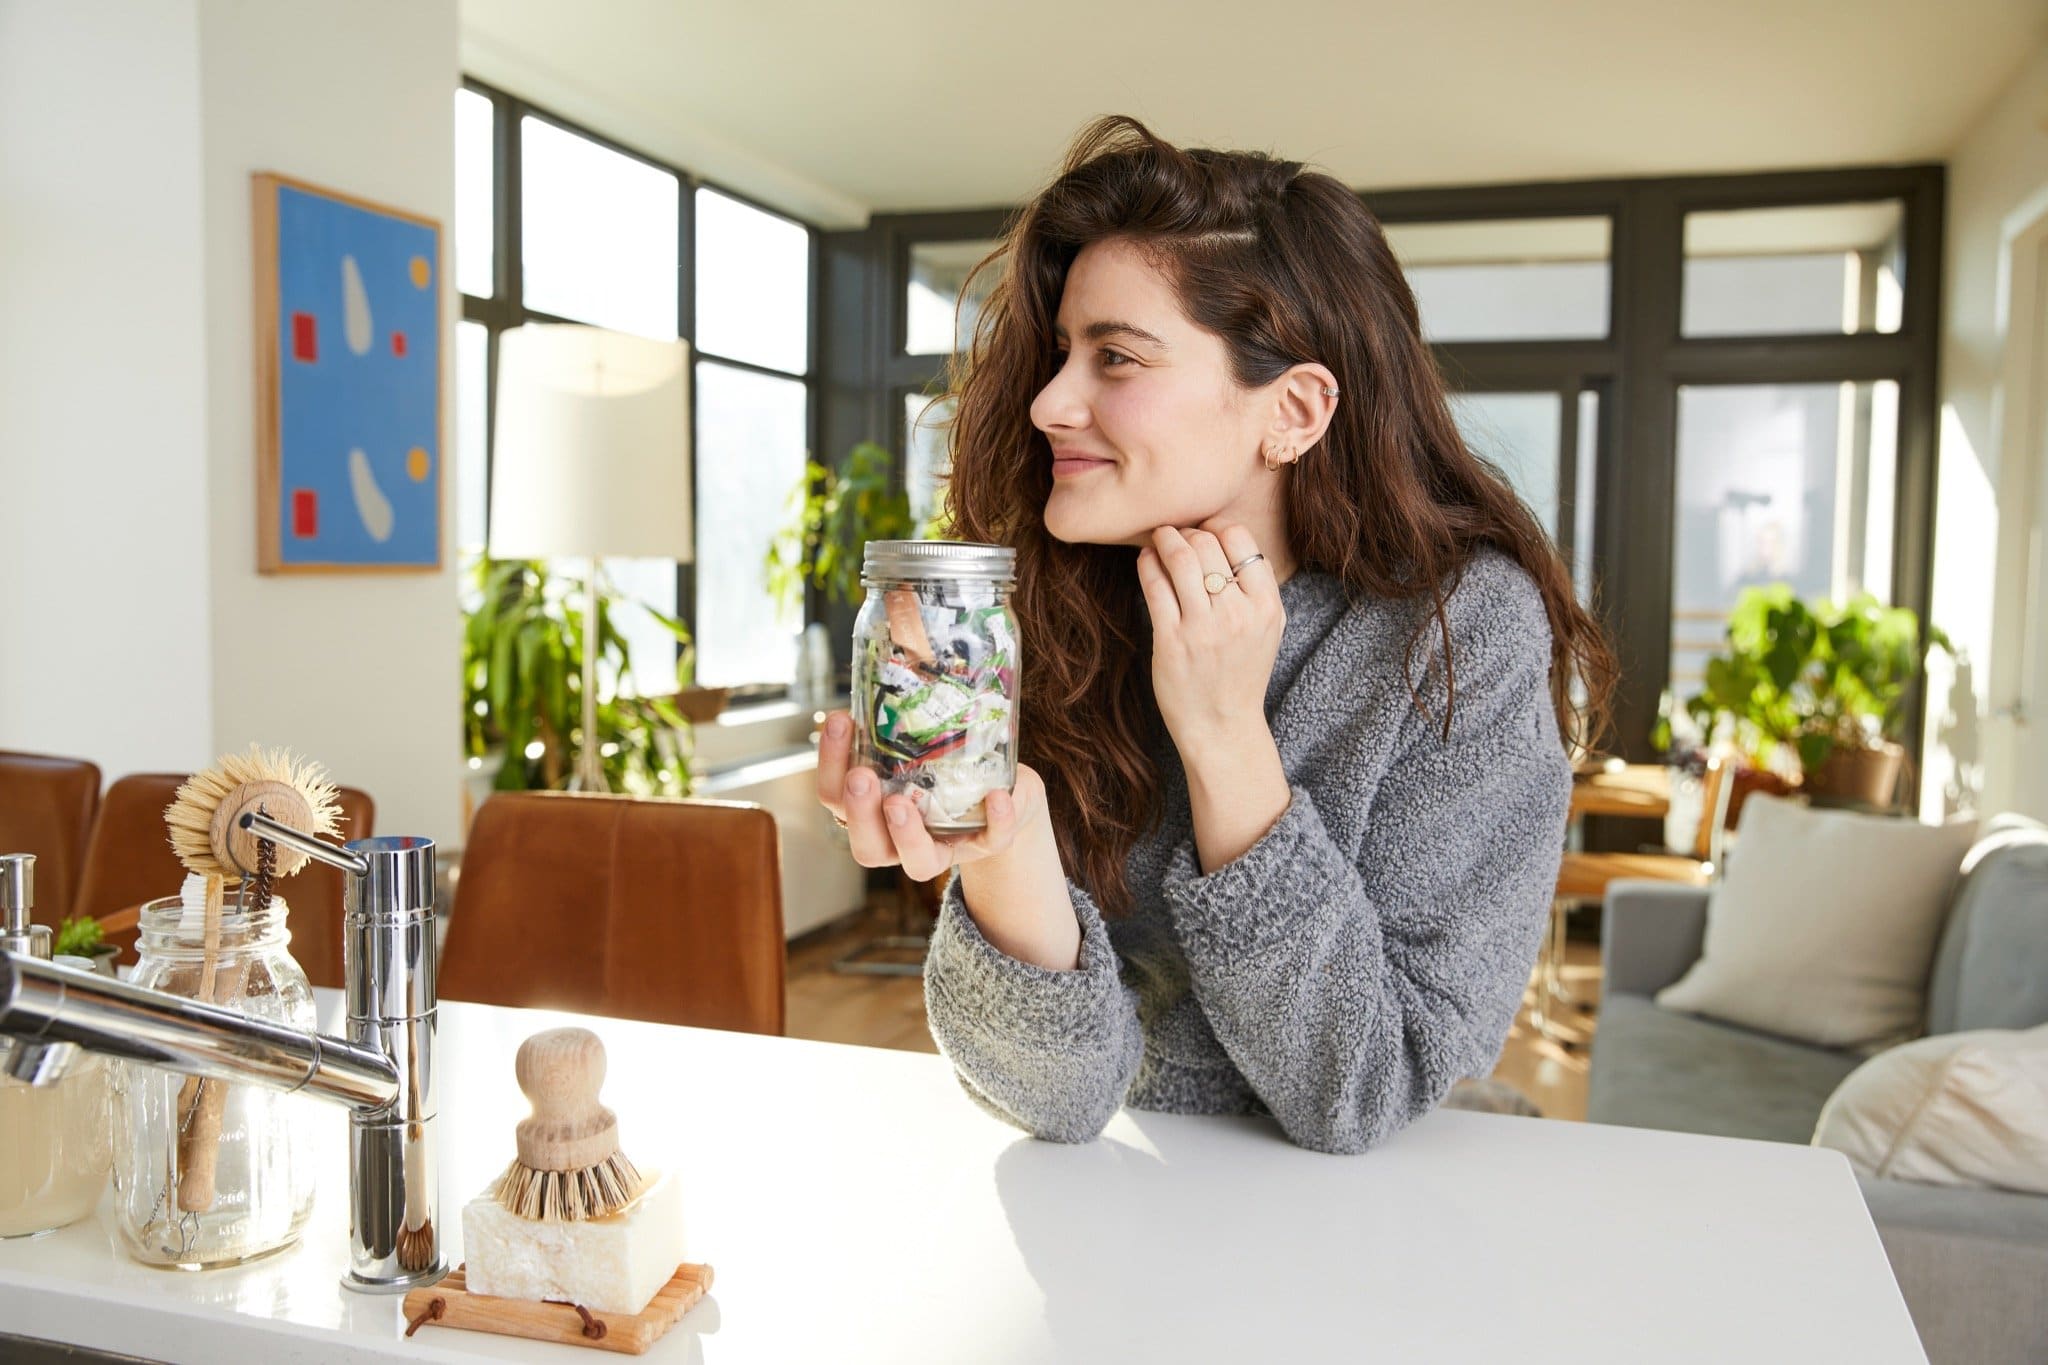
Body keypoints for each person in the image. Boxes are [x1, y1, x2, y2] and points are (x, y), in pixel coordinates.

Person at [816, 115, 1615, 1155]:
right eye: (1062, 352)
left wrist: (1225, 735)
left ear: (1292, 410)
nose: (1051, 401)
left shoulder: (1459, 634)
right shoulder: (1051, 616)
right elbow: (1053, 1102)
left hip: (1357, 1240)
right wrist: (1000, 848)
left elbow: (1364, 1091)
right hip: (1113, 1227)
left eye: (1115, 357)